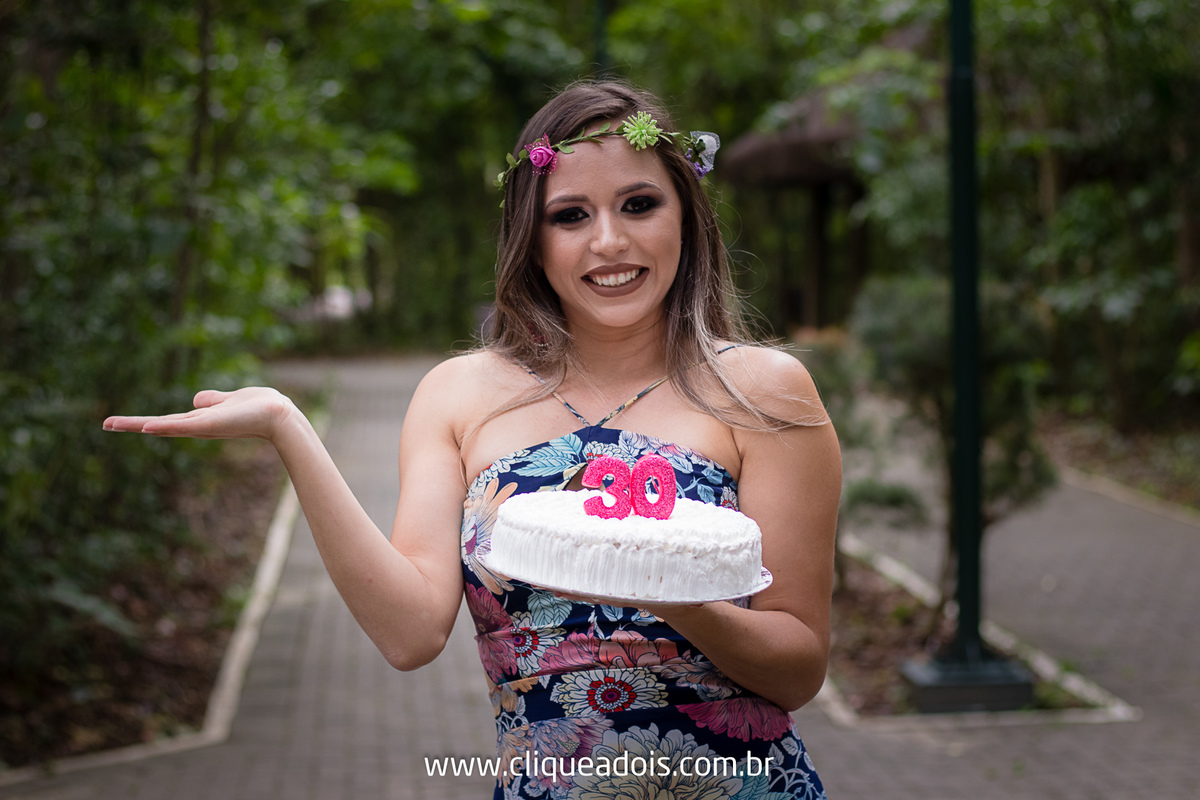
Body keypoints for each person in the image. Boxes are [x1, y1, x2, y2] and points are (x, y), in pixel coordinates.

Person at [104, 79, 840, 799]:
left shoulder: (762, 391)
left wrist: (675, 598)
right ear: (534, 239)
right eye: (570, 215)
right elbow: (409, 634)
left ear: (686, 215)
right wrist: (288, 430)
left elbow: (798, 670)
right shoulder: (458, 395)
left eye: (639, 204)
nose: (609, 241)